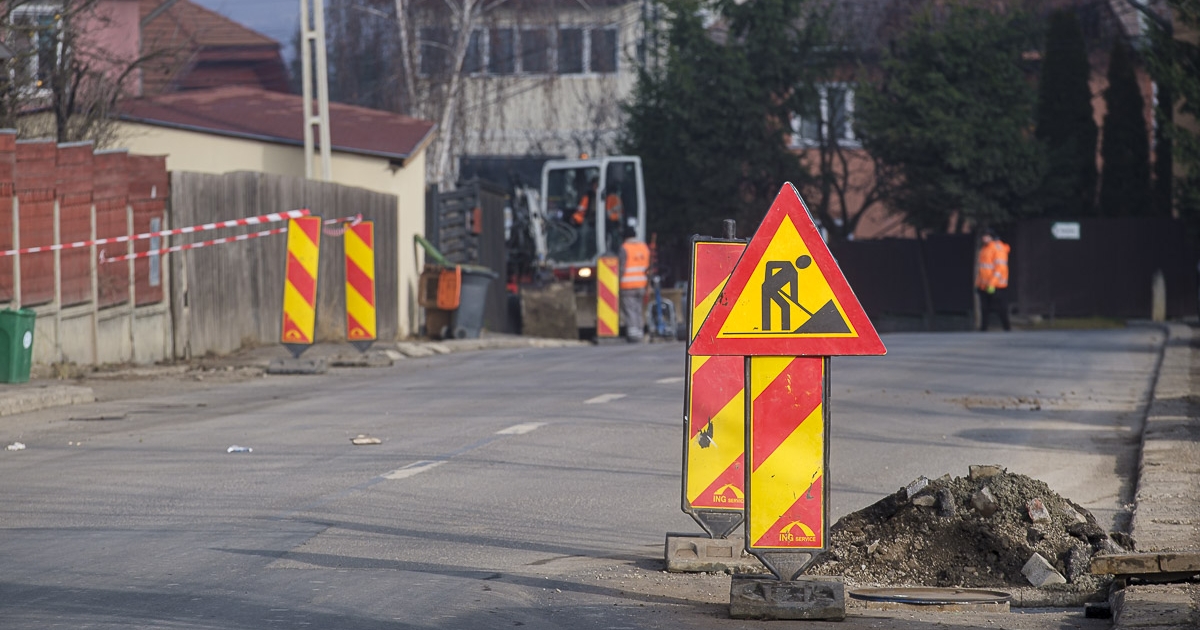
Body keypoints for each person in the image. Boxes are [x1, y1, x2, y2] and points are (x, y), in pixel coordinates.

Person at [618, 225, 650, 342]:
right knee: (638, 309)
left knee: (630, 309)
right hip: (642, 284)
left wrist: (616, 282)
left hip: (627, 285)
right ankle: (640, 331)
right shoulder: (643, 247)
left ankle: (633, 333)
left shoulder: (624, 248)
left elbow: (621, 268)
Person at [976, 229, 1011, 331]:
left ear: (992, 237)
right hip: (984, 285)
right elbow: (982, 269)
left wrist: (992, 283)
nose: (984, 238)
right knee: (984, 309)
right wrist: (979, 284)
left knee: (1001, 309)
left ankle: (1007, 328)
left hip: (997, 286)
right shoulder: (984, 249)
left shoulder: (997, 248)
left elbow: (1000, 268)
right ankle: (983, 328)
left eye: (986, 236)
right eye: (983, 236)